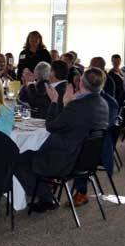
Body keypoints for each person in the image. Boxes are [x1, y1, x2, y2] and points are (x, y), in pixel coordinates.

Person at [14, 68, 109, 213]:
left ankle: (46, 198)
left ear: (81, 83)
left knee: (18, 159)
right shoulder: (103, 104)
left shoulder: (78, 106)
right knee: (30, 152)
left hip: (65, 160)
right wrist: (66, 105)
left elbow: (51, 126)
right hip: (86, 160)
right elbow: (70, 124)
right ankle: (46, 196)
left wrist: (54, 102)